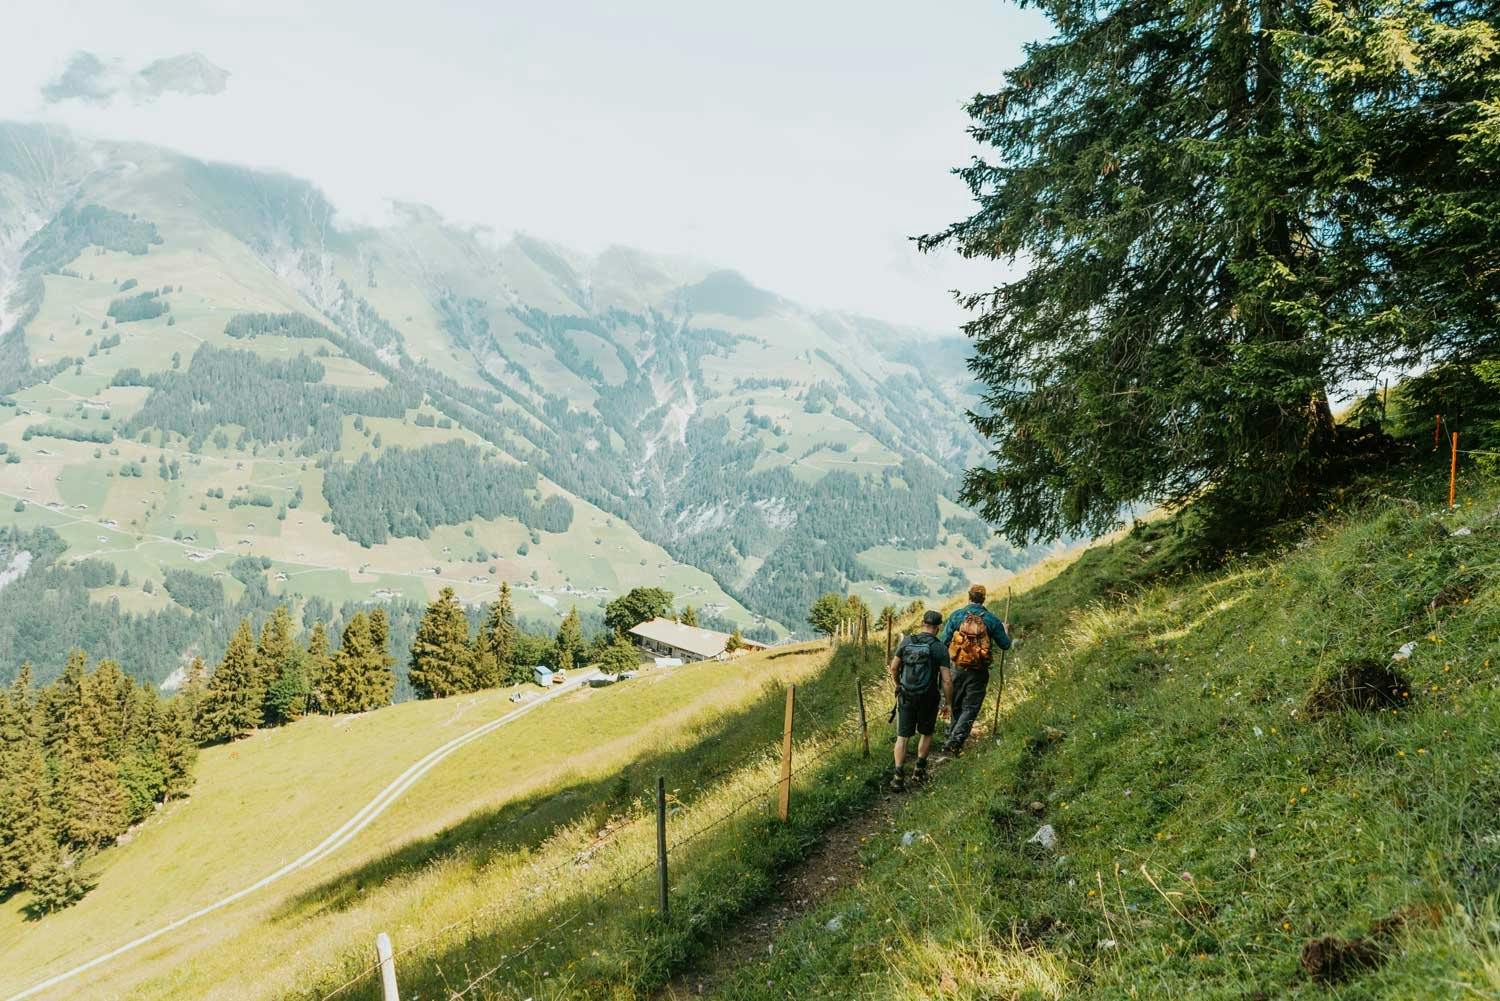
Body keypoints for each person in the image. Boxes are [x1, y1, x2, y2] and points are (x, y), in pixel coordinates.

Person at [939, 584, 1011, 755]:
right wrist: (1005, 630)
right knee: (970, 707)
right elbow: (1005, 645)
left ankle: (952, 734)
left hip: (957, 668)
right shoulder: (991, 620)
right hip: (978, 671)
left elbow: (943, 641)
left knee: (956, 703)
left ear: (969, 597)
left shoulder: (957, 616)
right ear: (983, 599)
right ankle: (955, 741)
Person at [888, 609, 954, 791]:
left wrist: (898, 685)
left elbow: (893, 668)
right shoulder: (940, 648)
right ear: (938, 627)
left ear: (923, 623)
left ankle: (898, 777)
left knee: (902, 737)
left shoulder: (907, 641)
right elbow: (947, 680)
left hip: (906, 695)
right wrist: (948, 703)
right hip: (929, 697)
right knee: (926, 733)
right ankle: (919, 771)